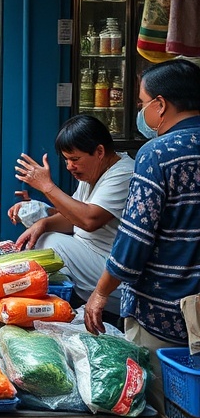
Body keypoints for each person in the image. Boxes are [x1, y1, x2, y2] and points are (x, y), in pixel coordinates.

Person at [85, 59, 200, 418]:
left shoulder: (159, 154)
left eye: (141, 104)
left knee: (163, 412)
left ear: (161, 105)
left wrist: (101, 292)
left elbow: (135, 238)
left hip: (166, 311)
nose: (141, 112)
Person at [10, 115, 133, 315]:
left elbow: (88, 219)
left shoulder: (123, 173)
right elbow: (72, 217)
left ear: (100, 151)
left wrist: (47, 186)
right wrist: (43, 223)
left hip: (112, 271)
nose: (69, 167)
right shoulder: (94, 170)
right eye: (66, 160)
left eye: (75, 159)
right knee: (42, 237)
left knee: (49, 245)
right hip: (91, 257)